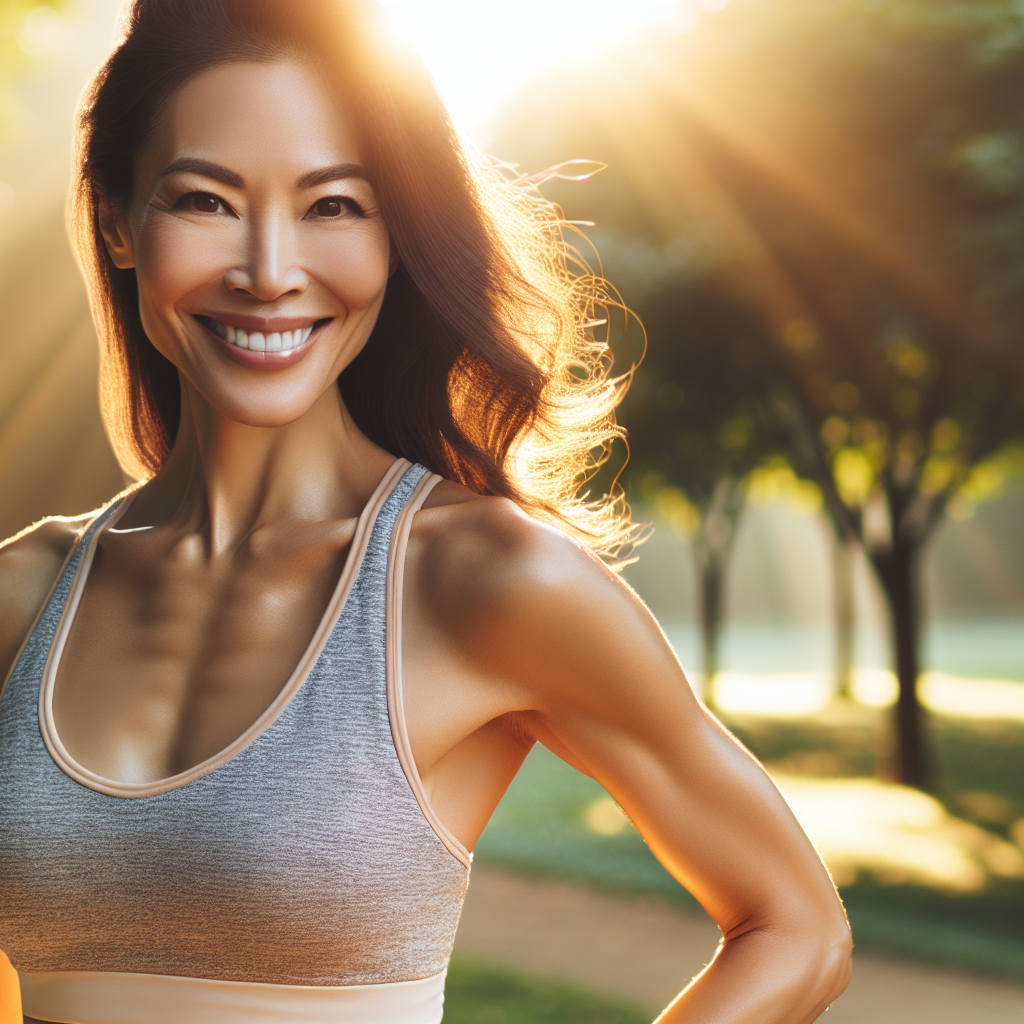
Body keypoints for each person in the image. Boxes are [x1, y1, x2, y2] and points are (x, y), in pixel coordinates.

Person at [0, 1, 852, 1022]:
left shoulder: (485, 581)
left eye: (334, 206)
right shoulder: (21, 596)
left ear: (398, 238)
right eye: (205, 201)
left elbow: (797, 931)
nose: (270, 271)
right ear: (115, 220)